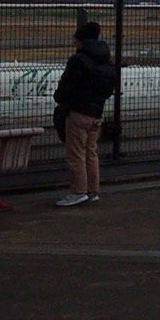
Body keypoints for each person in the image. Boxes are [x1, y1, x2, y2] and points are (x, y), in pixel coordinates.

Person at [53, 21, 117, 207]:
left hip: (78, 112)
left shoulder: (78, 60)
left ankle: (78, 191)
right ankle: (92, 191)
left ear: (81, 41)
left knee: (75, 154)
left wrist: (61, 98)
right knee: (91, 153)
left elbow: (67, 86)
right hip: (96, 112)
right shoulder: (105, 59)